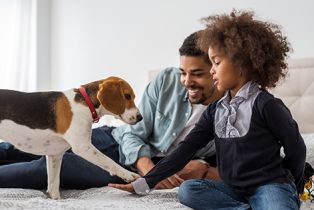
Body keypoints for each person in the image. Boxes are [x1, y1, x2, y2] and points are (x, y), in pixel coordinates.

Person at [109, 10, 306, 210]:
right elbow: (185, 150)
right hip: (233, 189)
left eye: (216, 62)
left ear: (242, 64)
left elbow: (297, 149)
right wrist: (145, 183)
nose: (212, 70)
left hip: (268, 186)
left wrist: (290, 186)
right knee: (189, 190)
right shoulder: (215, 111)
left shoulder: (267, 105)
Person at [0, 31, 223, 190]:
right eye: (183, 72)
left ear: (215, 69)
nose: (186, 81)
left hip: (133, 164)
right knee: (14, 148)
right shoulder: (167, 80)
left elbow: (238, 166)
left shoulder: (231, 112)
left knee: (46, 168)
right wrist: (147, 168)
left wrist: (203, 169)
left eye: (197, 74)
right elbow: (133, 133)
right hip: (115, 140)